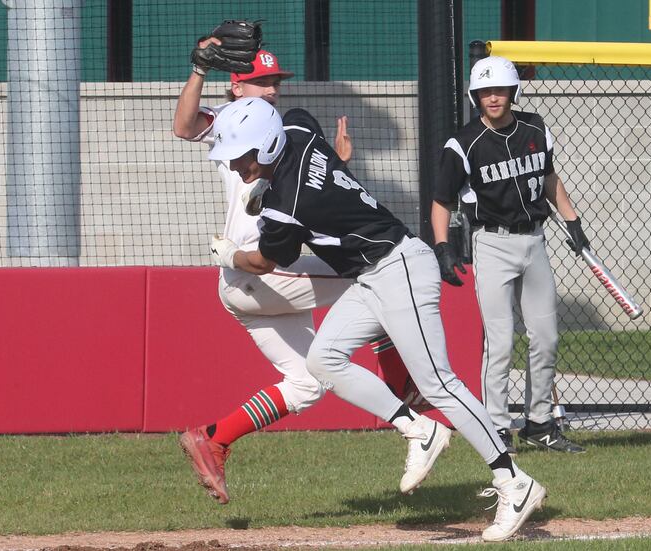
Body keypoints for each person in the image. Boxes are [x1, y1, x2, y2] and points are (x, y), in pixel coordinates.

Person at [208, 97, 547, 542]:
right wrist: (313, 171)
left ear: (267, 146)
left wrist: (231, 253)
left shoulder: (285, 207)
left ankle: (513, 481)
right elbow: (306, 130)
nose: (235, 166)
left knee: (439, 385)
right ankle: (418, 428)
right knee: (323, 360)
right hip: (372, 274)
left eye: (242, 157)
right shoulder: (298, 130)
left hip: (399, 267)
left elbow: (265, 260)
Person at [173, 44, 441, 504]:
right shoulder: (231, 126)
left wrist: (339, 167)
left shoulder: (282, 133)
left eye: (276, 81)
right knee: (378, 272)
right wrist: (200, 67)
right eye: (261, 82)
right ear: (237, 86)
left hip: (257, 280)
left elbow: (311, 198)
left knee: (308, 382)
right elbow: (183, 126)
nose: (272, 89)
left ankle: (213, 439)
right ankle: (404, 387)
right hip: (259, 270)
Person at [431, 55, 587, 455]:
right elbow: (441, 202)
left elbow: (550, 178)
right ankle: (497, 428)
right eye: (485, 92)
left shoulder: (535, 127)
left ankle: (539, 423)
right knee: (499, 343)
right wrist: (443, 247)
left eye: (500, 90)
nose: (493, 98)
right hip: (492, 244)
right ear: (475, 96)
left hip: (534, 241)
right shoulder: (462, 143)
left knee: (546, 338)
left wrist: (572, 222)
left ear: (513, 92)